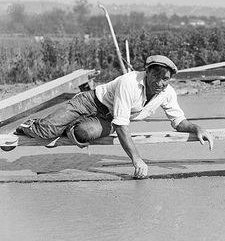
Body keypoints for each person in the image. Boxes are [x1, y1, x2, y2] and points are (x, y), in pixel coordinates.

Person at [16, 55, 214, 179]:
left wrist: (197, 129)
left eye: (165, 79)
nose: (160, 83)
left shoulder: (167, 93)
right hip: (90, 102)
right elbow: (122, 125)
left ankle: (68, 128)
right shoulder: (130, 82)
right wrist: (137, 160)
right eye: (156, 77)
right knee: (46, 131)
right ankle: (27, 126)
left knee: (85, 132)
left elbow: (179, 122)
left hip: (108, 118)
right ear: (147, 73)